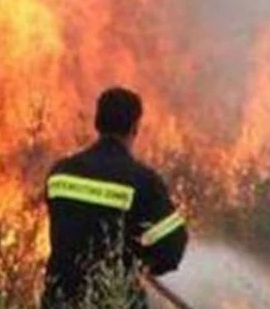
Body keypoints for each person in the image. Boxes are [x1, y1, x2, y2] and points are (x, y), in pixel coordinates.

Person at [41, 87, 188, 308]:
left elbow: (71, 227)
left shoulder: (60, 173)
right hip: (113, 300)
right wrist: (141, 261)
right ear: (134, 128)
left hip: (60, 300)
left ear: (97, 123)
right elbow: (173, 245)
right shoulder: (142, 181)